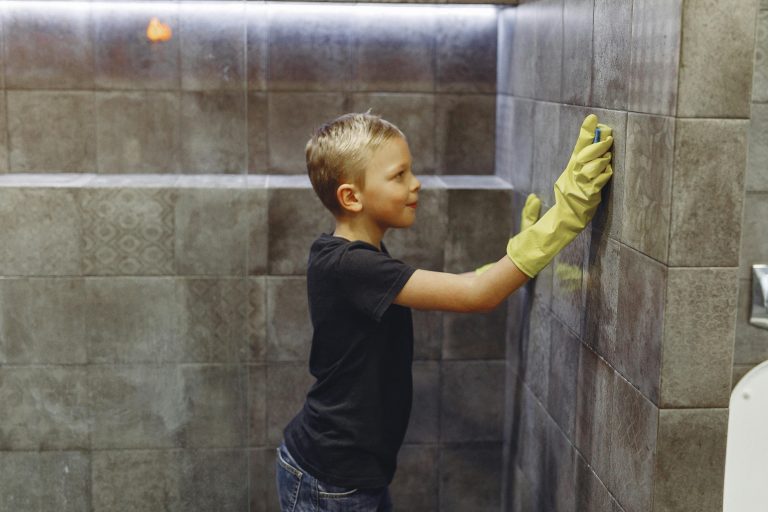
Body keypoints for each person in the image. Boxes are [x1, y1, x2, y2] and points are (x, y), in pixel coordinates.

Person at [275, 111, 613, 512]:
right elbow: (476, 294)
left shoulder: (355, 257)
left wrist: (527, 246)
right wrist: (565, 216)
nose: (415, 183)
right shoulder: (350, 266)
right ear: (352, 197)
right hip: (329, 481)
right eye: (399, 175)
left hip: (347, 473)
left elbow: (468, 283)